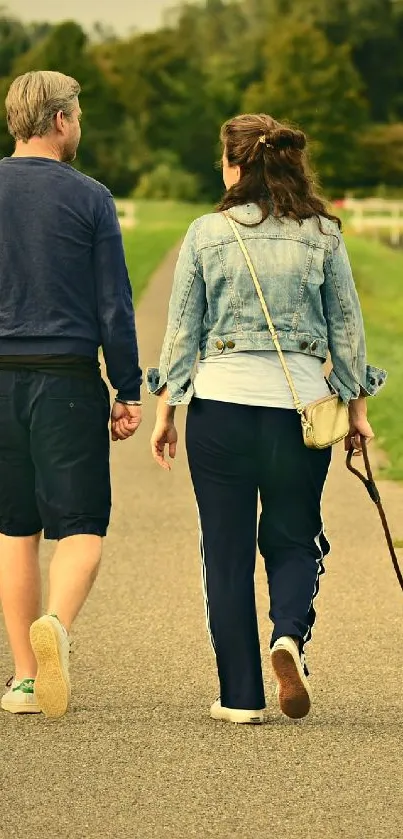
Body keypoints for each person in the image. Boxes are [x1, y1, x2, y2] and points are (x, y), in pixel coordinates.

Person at [149, 113, 386, 725]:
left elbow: (182, 334)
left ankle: (240, 697)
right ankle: (288, 635)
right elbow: (348, 331)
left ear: (236, 165)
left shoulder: (206, 233)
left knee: (225, 552)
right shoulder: (323, 235)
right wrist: (356, 411)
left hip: (219, 408)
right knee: (294, 536)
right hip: (300, 410)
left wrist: (166, 412)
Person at [0, 71, 142, 719]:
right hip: (66, 379)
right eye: (77, 115)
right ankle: (56, 622)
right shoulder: (90, 198)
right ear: (60, 120)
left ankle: (25, 680)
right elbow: (114, 304)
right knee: (80, 526)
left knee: (13, 529)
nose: (78, 126)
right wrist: (129, 387)